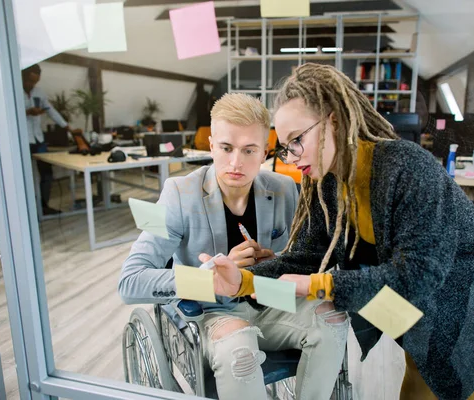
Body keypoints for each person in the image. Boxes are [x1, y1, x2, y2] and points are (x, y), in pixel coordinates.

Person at [208, 64, 474, 400]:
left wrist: (319, 287)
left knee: (448, 378)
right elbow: (307, 257)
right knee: (421, 370)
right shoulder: (325, 181)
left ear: (334, 120)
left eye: (297, 140)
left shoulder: (406, 166)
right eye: (287, 146)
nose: (291, 158)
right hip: (411, 308)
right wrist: (245, 281)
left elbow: (421, 273)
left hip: (467, 299)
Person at [119, 93, 348, 400]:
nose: (236, 162)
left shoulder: (285, 189)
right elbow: (130, 281)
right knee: (238, 347)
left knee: (333, 316)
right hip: (213, 311)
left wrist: (277, 260)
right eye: (226, 148)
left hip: (270, 297)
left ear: (265, 152)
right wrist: (207, 279)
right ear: (211, 145)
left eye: (249, 150)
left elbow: (309, 258)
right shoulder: (176, 193)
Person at [22, 64, 75, 215]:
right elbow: (7, 113)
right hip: (23, 139)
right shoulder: (13, 91)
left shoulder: (39, 92)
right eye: (29, 81)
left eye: (35, 81)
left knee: (46, 173)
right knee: (25, 175)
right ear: (23, 77)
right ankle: (28, 209)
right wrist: (27, 112)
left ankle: (43, 205)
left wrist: (67, 127)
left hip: (38, 138)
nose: (32, 85)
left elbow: (52, 111)